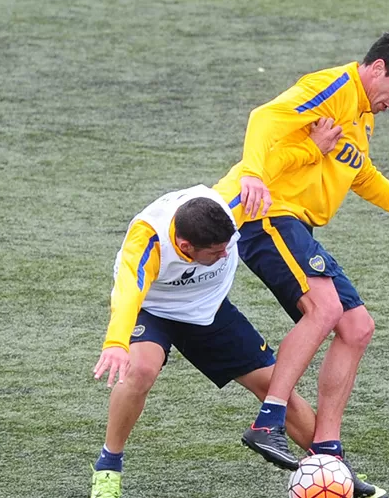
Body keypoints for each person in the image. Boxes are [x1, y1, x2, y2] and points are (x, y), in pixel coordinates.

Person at [211, 28, 389, 488]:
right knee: (326, 309)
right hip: (269, 217)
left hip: (297, 226)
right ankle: (268, 422)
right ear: (378, 69)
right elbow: (264, 118)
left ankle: (327, 453)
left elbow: (361, 173)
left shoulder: (362, 114)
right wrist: (254, 176)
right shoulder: (333, 88)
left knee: (358, 328)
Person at [89, 186, 321, 498]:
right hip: (154, 308)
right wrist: (116, 342)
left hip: (207, 309)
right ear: (185, 246)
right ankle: (108, 467)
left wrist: (307, 152)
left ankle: (332, 464)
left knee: (276, 386)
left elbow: (259, 170)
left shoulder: (228, 205)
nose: (225, 254)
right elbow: (128, 292)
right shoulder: (147, 240)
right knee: (141, 370)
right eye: (215, 252)